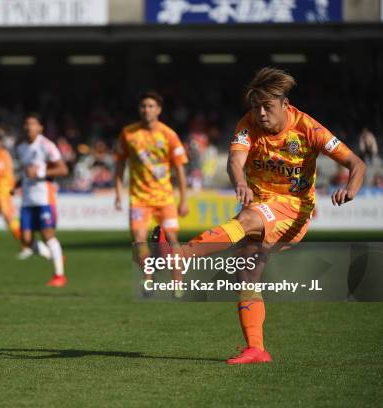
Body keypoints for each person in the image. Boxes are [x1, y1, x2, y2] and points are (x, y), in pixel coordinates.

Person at [176, 67, 365, 364]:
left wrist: (351, 188)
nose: (261, 113)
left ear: (285, 106)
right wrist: (239, 181)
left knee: (247, 220)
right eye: (256, 106)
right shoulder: (248, 124)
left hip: (293, 209)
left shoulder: (308, 128)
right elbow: (235, 159)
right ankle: (257, 349)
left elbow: (356, 162)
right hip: (261, 204)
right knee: (247, 275)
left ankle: (183, 255)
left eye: (268, 107)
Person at [114, 90, 189, 293]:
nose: (146, 110)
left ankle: (177, 281)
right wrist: (118, 192)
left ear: (159, 110)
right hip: (139, 198)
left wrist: (183, 199)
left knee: (172, 239)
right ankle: (148, 279)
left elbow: (180, 168)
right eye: (143, 106)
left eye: (150, 106)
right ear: (139, 109)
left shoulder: (168, 134)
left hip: (164, 198)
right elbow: (120, 164)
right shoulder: (128, 133)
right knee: (139, 240)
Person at [16, 113, 69, 287]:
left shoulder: (46, 145)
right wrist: (15, 184)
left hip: (44, 197)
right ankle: (55, 256)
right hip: (27, 199)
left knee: (47, 234)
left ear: (40, 128)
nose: (29, 127)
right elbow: (25, 172)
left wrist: (39, 174)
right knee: (25, 240)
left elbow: (63, 169)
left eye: (33, 124)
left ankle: (59, 276)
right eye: (26, 124)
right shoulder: (20, 147)